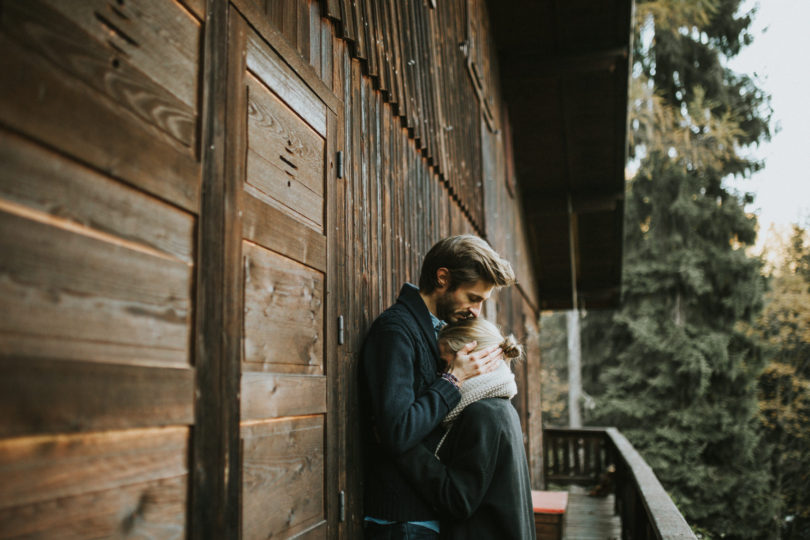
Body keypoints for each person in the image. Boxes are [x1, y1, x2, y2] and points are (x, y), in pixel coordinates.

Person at [360, 235, 516, 539]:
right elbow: (396, 431)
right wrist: (453, 381)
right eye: (473, 297)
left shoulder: (434, 331)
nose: (476, 311)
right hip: (400, 520)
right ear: (442, 278)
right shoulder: (396, 331)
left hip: (426, 513)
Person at [396, 318, 537, 540]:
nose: (442, 376)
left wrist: (405, 447)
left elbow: (458, 500)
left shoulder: (482, 413)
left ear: (474, 358)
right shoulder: (501, 407)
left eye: (446, 365)